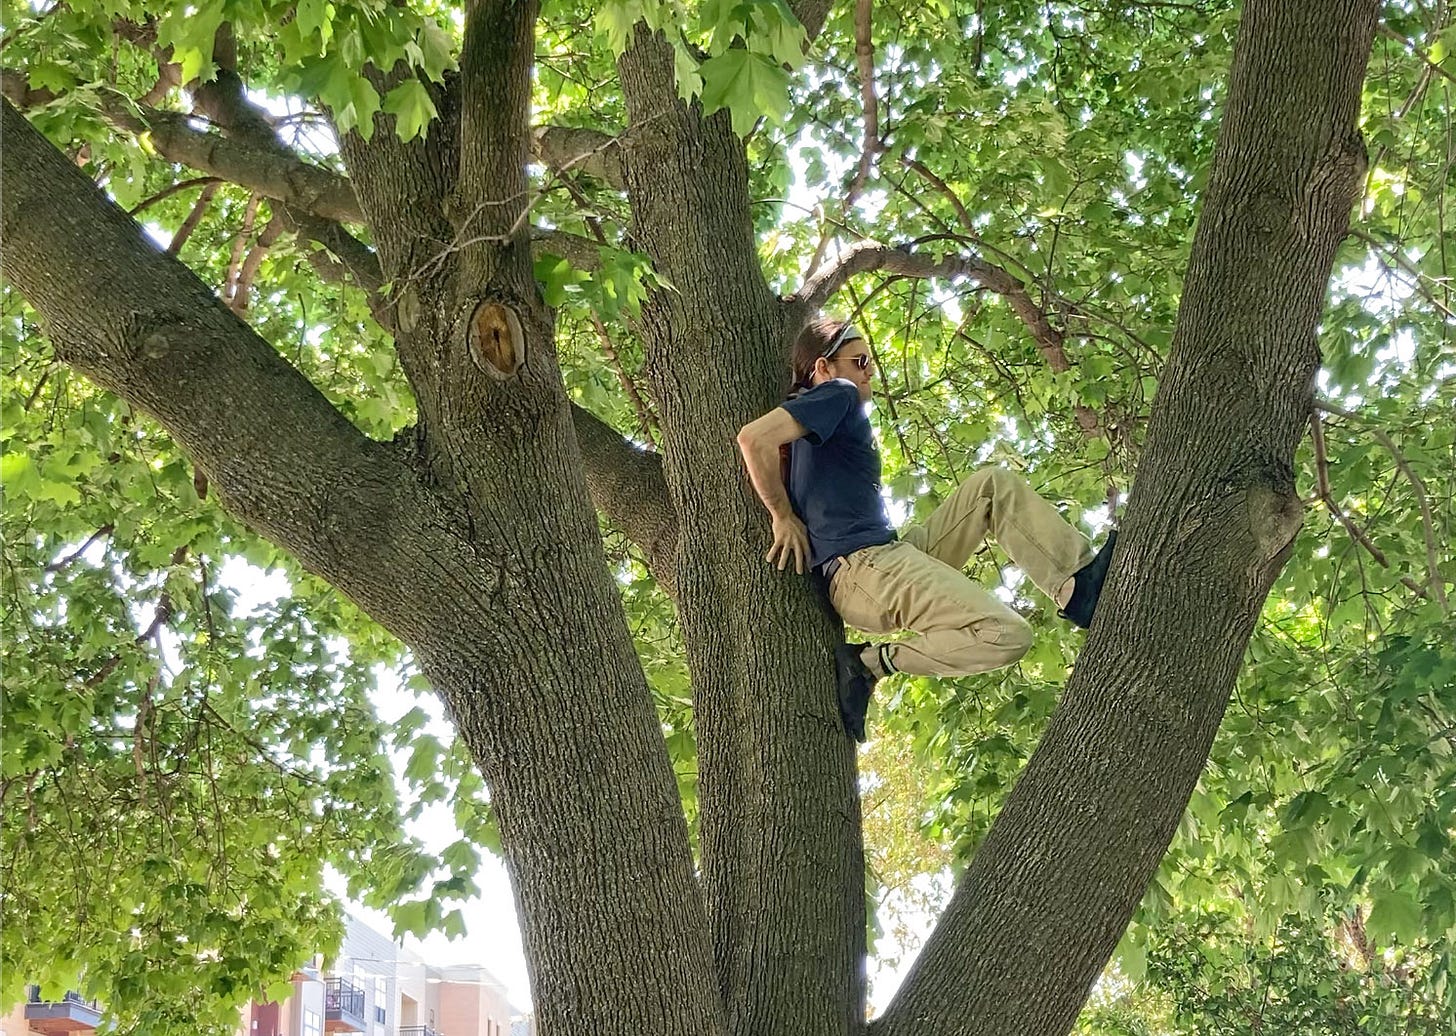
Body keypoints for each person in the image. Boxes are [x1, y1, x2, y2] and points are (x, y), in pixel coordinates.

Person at [736, 317, 1118, 742]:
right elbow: (753, 439)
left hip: (887, 558)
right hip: (867, 568)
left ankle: (1077, 587)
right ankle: (870, 664)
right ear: (824, 368)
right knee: (1007, 634)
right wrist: (781, 515)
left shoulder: (821, 420)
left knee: (991, 487)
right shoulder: (837, 394)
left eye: (872, 366)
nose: (869, 375)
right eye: (860, 361)